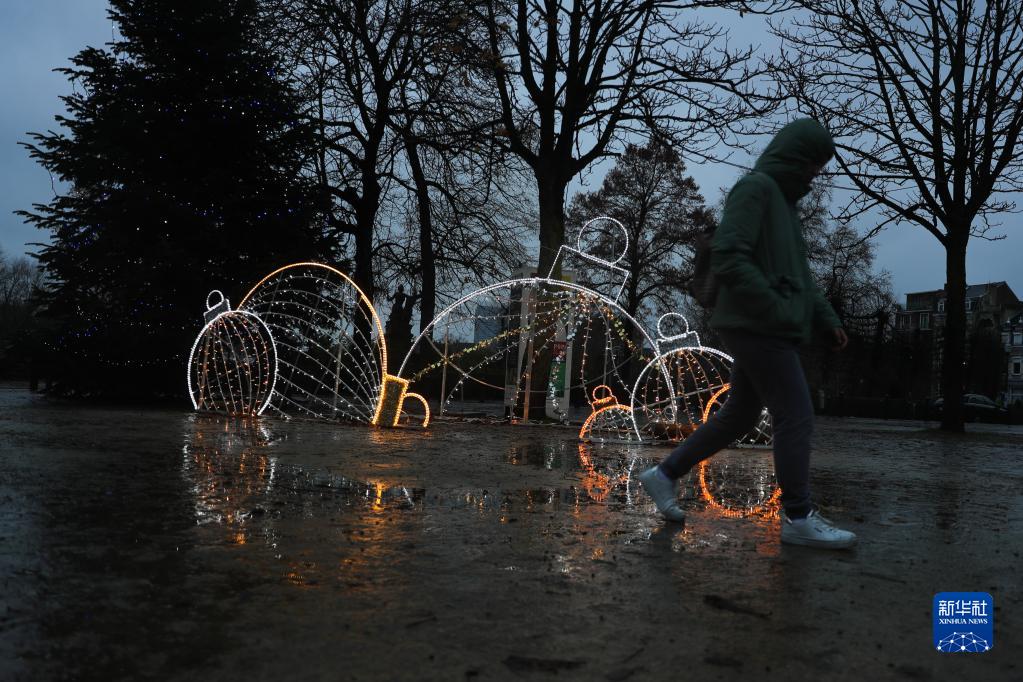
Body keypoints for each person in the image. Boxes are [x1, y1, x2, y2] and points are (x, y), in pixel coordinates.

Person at [638, 118, 857, 549]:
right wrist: (773, 305)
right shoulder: (756, 189)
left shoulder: (784, 206)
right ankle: (798, 517)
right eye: (813, 163)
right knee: (796, 415)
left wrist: (826, 318)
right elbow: (729, 256)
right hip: (758, 323)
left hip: (762, 322)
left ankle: (664, 475)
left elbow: (801, 277)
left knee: (739, 415)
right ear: (794, 157)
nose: (816, 173)